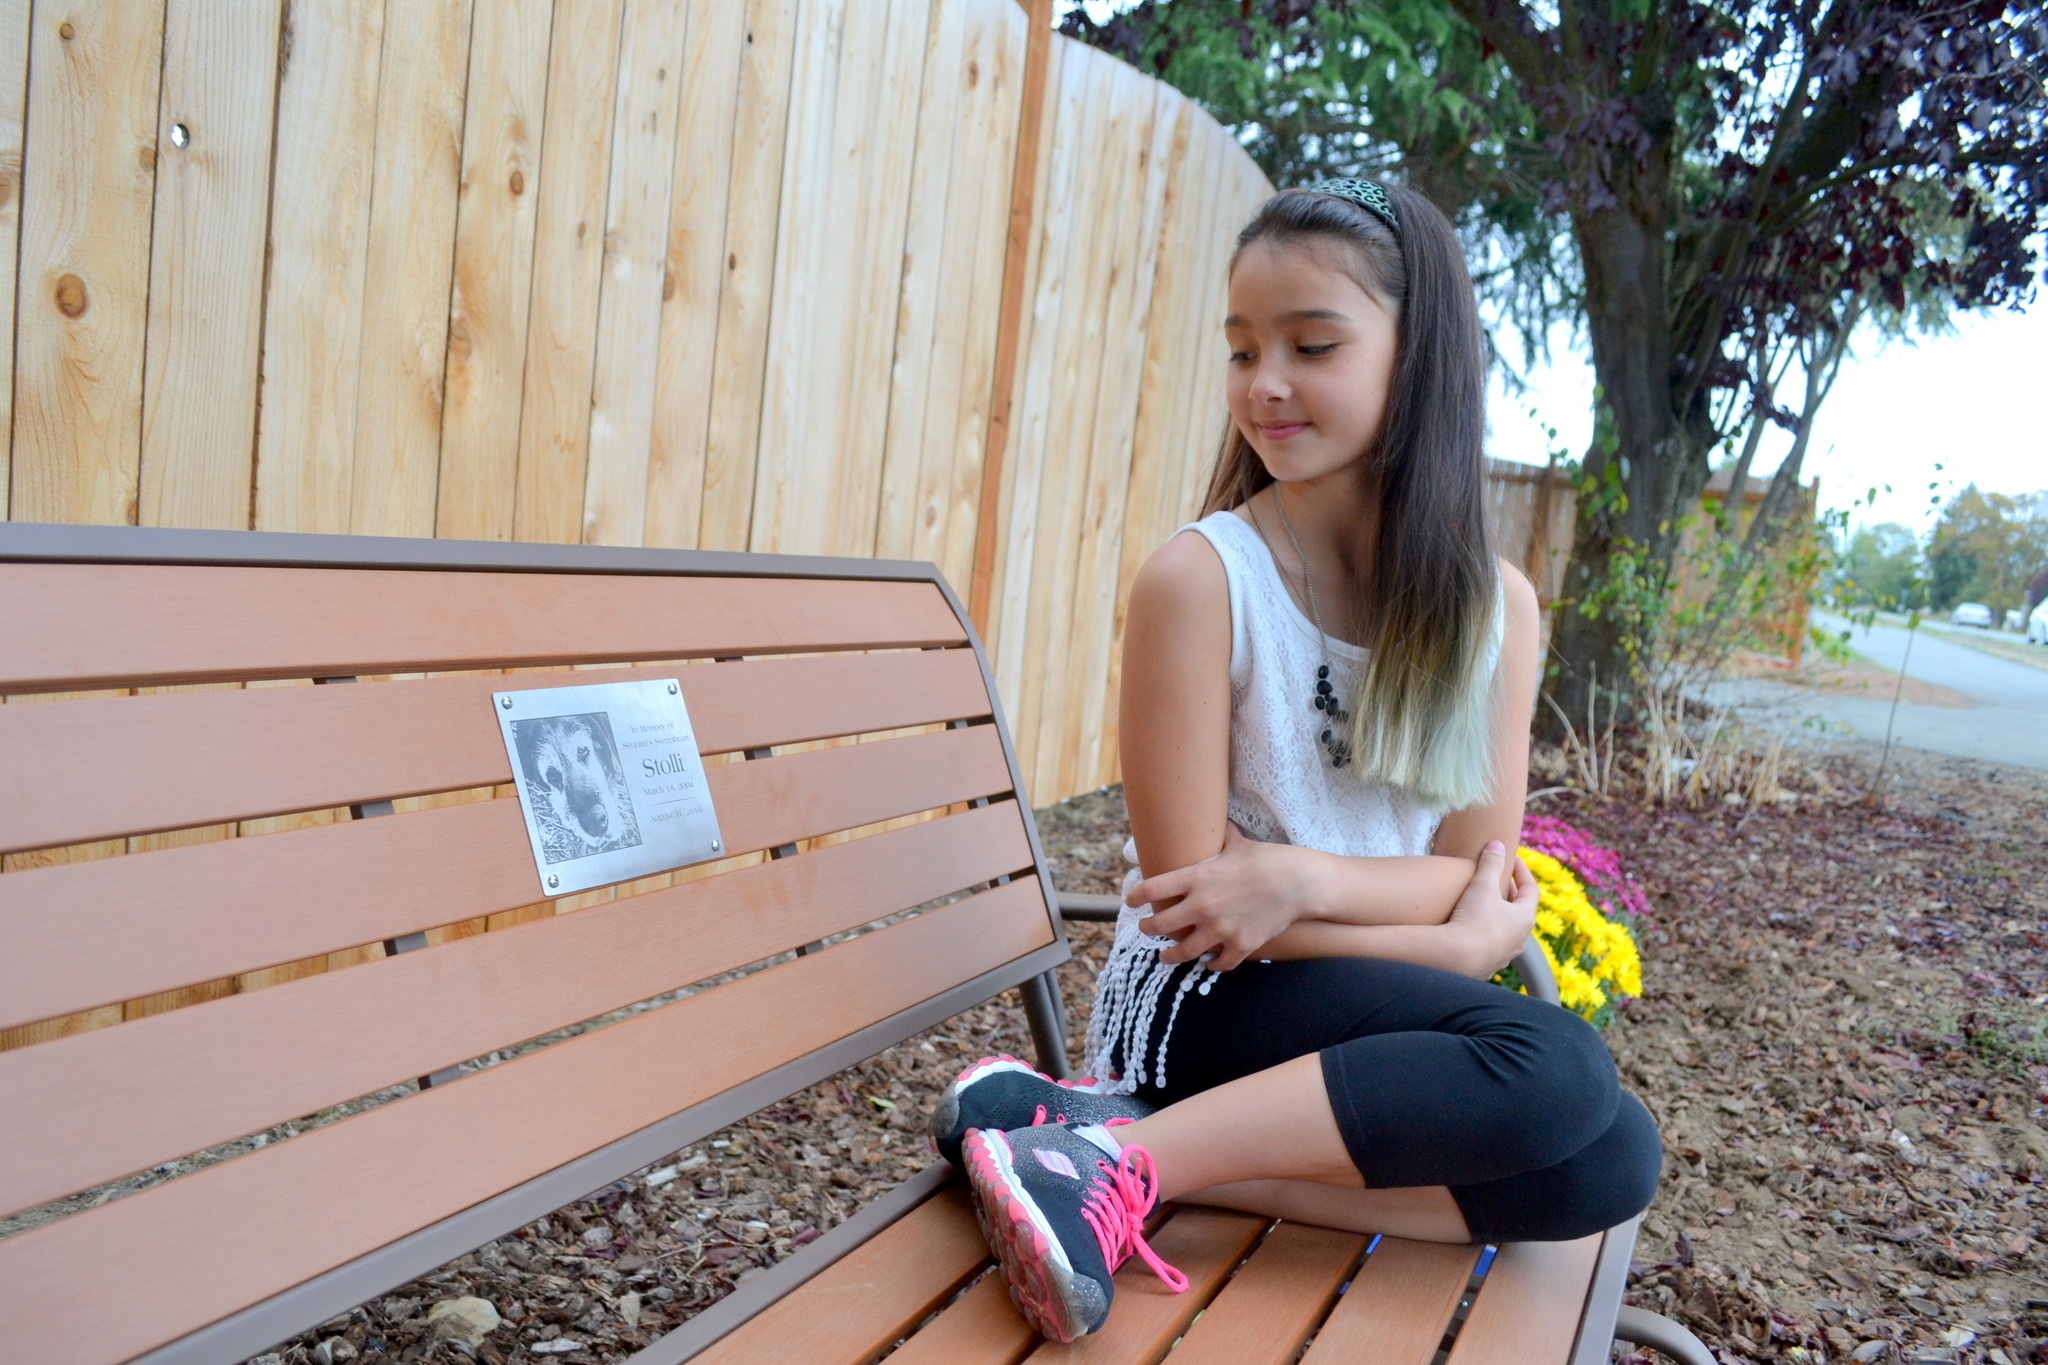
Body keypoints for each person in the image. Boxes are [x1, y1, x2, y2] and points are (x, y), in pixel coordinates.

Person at [928, 179, 1663, 1343]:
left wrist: (1306, 882)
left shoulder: (1493, 611)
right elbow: (1192, 907)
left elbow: (1481, 873)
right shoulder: (1202, 579)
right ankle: (1102, 1156)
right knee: (1558, 1072)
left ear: (1415, 356)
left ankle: (1108, 1146)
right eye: (1240, 351)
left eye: (1309, 345)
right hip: (1200, 997)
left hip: (1349, 981)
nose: (1262, 385)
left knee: (1609, 1162)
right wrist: (1442, 940)